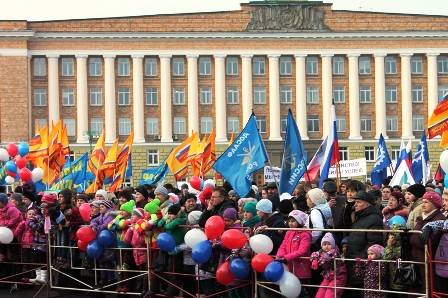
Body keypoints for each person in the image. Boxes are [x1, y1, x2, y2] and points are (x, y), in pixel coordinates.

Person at [345, 190, 384, 298]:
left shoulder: (374, 219)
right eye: (355, 202)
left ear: (367, 204)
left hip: (362, 265)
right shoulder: (361, 216)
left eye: (359, 202)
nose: (355, 204)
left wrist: (360, 261)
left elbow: (373, 243)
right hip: (355, 263)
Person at [408, 191, 446, 295]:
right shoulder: (422, 217)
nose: (423, 205)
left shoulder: (439, 218)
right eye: (422, 202)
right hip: (417, 260)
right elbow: (414, 239)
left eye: (426, 202)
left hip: (429, 261)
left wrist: (414, 238)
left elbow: (429, 242)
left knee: (429, 289)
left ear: (434, 204)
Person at [276, 210, 312, 298]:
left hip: (301, 268)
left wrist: (286, 258)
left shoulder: (305, 234)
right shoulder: (289, 232)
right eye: (289, 221)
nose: (290, 223)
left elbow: (302, 250)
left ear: (299, 222)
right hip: (289, 267)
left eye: (293, 221)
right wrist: (280, 256)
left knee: (299, 292)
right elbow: (283, 246)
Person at [157, 204, 186, 298]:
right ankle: (171, 290)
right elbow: (159, 223)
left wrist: (166, 223)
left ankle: (171, 291)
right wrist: (166, 221)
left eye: (171, 214)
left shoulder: (179, 220)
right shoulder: (172, 219)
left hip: (177, 250)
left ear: (177, 214)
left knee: (176, 272)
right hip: (171, 250)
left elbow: (169, 227)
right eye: (168, 214)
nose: (169, 216)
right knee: (171, 270)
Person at [107, 200, 134, 293]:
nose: (121, 212)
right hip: (118, 246)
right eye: (121, 210)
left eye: (124, 210)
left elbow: (123, 224)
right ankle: (121, 284)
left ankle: (127, 285)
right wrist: (117, 226)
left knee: (125, 266)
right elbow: (110, 225)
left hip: (127, 246)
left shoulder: (131, 218)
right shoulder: (119, 217)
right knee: (119, 266)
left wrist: (118, 224)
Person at [310, 233, 347, 298]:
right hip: (328, 276)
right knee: (319, 295)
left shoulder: (335, 251)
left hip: (338, 276)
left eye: (329, 244)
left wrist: (318, 260)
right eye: (324, 244)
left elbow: (326, 258)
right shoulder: (322, 252)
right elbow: (314, 254)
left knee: (329, 295)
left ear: (332, 245)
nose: (326, 246)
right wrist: (314, 260)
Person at [124, 207, 148, 297]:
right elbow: (127, 240)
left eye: (134, 215)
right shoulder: (133, 227)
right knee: (141, 273)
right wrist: (130, 230)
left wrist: (136, 229)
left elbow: (142, 241)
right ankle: (142, 288)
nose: (132, 216)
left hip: (144, 252)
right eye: (132, 215)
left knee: (145, 273)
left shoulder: (142, 226)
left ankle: (145, 289)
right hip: (136, 253)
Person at [384, 224, 409, 298]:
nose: (389, 236)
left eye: (392, 234)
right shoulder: (395, 246)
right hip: (393, 280)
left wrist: (388, 245)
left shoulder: (400, 248)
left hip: (399, 282)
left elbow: (387, 258)